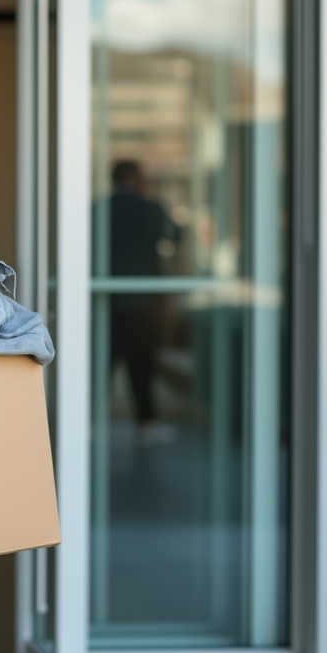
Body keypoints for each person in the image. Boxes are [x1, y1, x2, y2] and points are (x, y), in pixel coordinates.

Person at [107, 159, 180, 447]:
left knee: (102, 364)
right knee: (143, 366)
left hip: (107, 301)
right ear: (137, 179)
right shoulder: (149, 207)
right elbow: (175, 235)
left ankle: (86, 421)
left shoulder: (100, 208)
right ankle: (147, 423)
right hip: (145, 302)